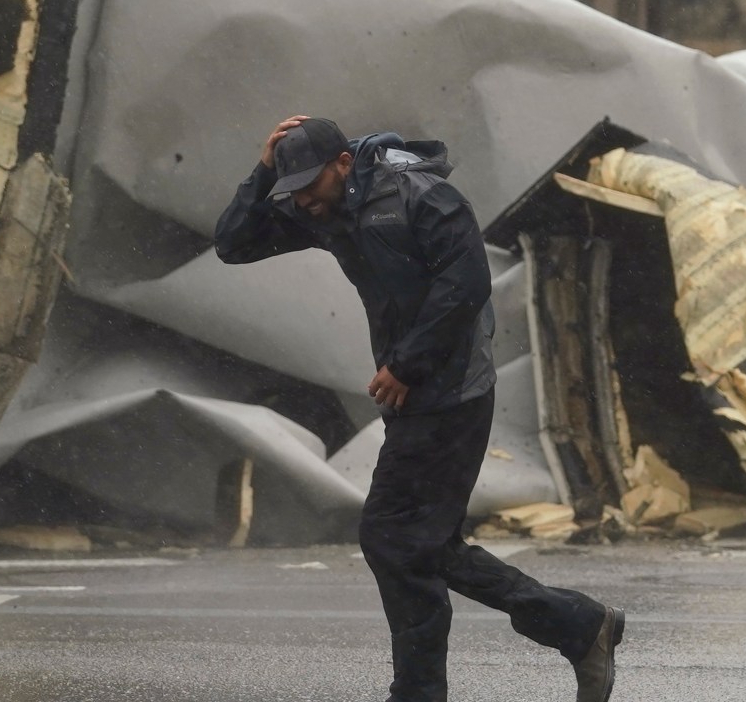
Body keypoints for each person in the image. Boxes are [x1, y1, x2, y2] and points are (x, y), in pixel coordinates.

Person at [217, 115, 625, 702]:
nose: (302, 199)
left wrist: (408, 364)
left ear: (343, 163)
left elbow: (465, 284)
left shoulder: (421, 196)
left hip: (453, 389)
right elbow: (233, 244)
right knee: (419, 542)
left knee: (395, 537)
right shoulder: (325, 210)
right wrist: (263, 174)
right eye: (293, 189)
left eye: (310, 183)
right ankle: (573, 629)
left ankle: (552, 636)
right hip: (414, 393)